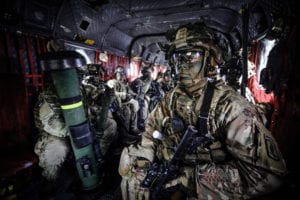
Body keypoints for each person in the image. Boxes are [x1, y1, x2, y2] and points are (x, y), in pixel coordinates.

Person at [118, 22, 287, 199]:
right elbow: (150, 131)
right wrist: (145, 160)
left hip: (204, 188)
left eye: (192, 55)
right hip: (166, 170)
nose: (182, 64)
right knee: (130, 172)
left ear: (209, 60)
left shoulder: (230, 107)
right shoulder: (172, 97)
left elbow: (269, 175)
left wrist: (192, 182)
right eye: (178, 57)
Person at [108, 65, 141, 145]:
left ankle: (133, 128)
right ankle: (125, 135)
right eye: (118, 74)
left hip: (124, 102)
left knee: (133, 106)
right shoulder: (113, 82)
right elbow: (112, 93)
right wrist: (121, 93)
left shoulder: (124, 84)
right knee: (126, 111)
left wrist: (135, 94)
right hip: (117, 104)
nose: (119, 76)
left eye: (121, 74)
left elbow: (129, 91)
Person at [131, 62, 164, 131]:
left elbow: (153, 89)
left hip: (146, 97)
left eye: (150, 73)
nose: (150, 75)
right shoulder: (139, 80)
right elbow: (142, 90)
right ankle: (142, 124)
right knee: (143, 106)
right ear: (145, 73)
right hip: (139, 98)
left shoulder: (149, 80)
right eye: (148, 73)